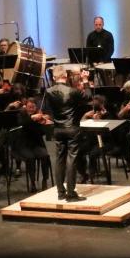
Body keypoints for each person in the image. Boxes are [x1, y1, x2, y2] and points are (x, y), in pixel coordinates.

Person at [44, 66, 89, 202]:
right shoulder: (72, 91)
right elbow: (88, 97)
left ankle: (60, 192)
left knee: (59, 159)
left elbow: (49, 109)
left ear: (53, 77)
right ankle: (70, 193)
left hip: (57, 129)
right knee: (72, 160)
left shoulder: (48, 91)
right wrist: (85, 80)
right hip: (71, 129)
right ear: (66, 76)